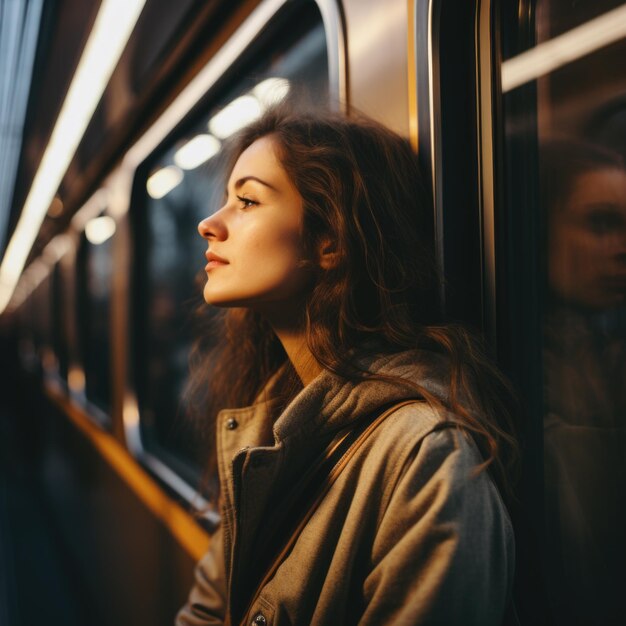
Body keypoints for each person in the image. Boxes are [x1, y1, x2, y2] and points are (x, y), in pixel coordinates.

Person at [176, 106, 519, 626]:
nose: (209, 224)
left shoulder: (427, 454)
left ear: (329, 241)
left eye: (246, 201)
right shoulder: (267, 427)